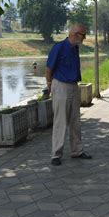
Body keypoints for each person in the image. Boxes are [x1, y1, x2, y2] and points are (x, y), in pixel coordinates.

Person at [45, 24, 92, 166]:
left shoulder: (75, 47)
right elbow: (48, 68)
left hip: (73, 85)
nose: (84, 38)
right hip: (61, 85)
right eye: (83, 35)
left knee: (75, 120)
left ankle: (77, 150)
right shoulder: (59, 47)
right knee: (61, 121)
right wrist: (49, 83)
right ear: (75, 34)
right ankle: (56, 154)